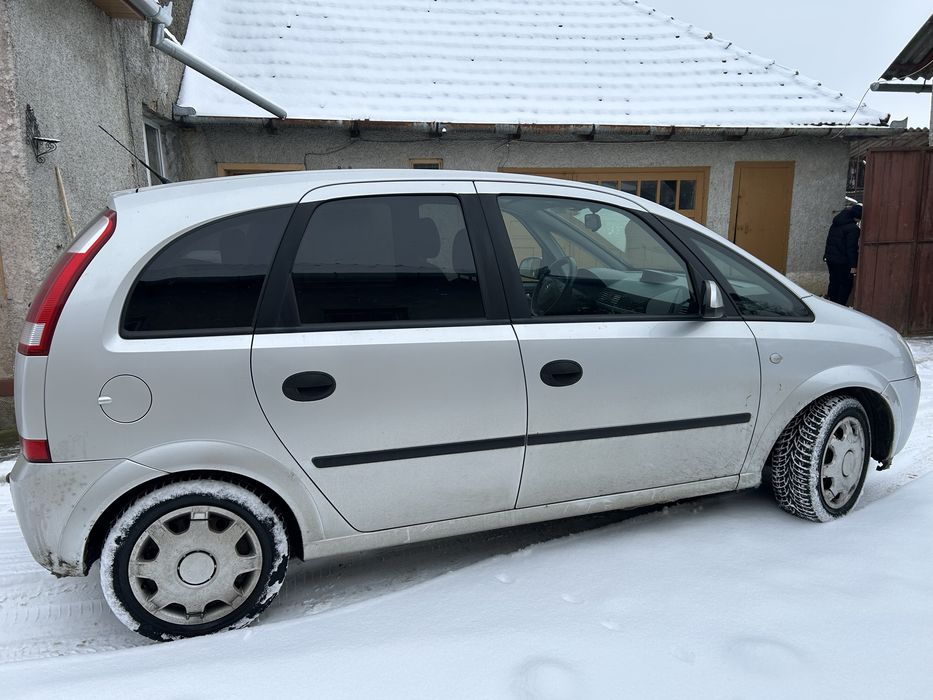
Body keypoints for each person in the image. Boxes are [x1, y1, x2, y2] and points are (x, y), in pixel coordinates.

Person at [823, 204, 862, 305]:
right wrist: (853, 265)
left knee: (834, 281)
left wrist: (826, 255)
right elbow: (851, 248)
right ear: (857, 217)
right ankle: (841, 307)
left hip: (830, 258)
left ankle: (831, 303)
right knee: (845, 284)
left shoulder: (836, 223)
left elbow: (829, 240)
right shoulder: (853, 229)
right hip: (843, 261)